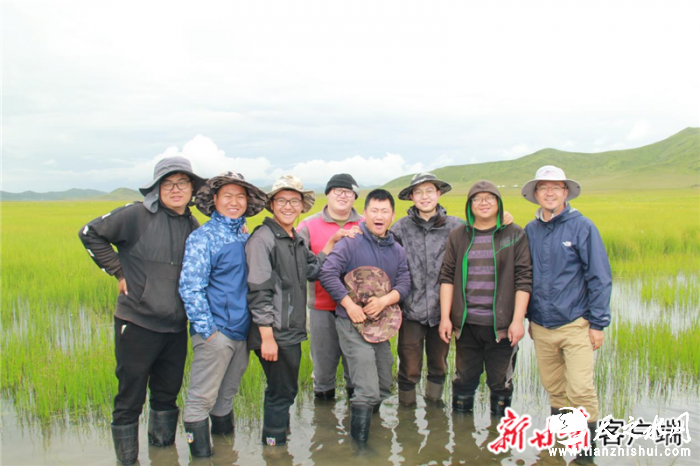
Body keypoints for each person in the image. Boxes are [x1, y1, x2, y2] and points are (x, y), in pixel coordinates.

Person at [78, 157, 205, 465]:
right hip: (137, 323)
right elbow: (89, 232)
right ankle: (127, 461)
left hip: (175, 328)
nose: (175, 189)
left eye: (182, 182)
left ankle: (163, 455)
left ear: (192, 188)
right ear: (156, 188)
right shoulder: (137, 215)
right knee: (130, 397)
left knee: (166, 396)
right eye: (167, 183)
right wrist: (119, 271)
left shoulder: (193, 225)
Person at [245, 175, 357, 447]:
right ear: (272, 204)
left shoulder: (293, 238)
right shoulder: (263, 239)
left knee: (285, 390)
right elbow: (258, 291)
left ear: (301, 206)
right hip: (274, 331)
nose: (288, 206)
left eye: (294, 201)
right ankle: (274, 450)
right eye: (282, 200)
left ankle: (277, 445)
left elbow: (312, 270)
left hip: (290, 329)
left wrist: (331, 243)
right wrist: (267, 337)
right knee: (281, 392)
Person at [521, 166, 611, 465]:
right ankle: (557, 452)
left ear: (566, 192)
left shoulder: (582, 226)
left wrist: (598, 324)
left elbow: (599, 277)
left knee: (581, 390)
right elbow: (525, 277)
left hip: (576, 324)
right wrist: (528, 318)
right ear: (536, 194)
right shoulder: (530, 230)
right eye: (543, 187)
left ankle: (585, 456)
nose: (549, 192)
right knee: (555, 390)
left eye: (556, 187)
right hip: (541, 326)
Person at [178, 172, 267, 457]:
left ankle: (226, 456)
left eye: (240, 196)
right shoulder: (203, 237)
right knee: (201, 399)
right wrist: (209, 332)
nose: (234, 202)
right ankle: (201, 459)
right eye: (227, 196)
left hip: (242, 331)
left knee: (226, 397)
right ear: (214, 200)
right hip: (216, 333)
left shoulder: (246, 236)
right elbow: (191, 287)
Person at [319, 189, 411, 445]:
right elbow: (327, 273)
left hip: (380, 325)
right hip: (351, 323)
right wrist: (349, 305)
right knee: (367, 388)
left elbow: (404, 283)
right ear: (365, 213)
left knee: (383, 383)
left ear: (392, 216)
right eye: (374, 210)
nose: (379, 216)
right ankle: (359, 450)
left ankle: (370, 433)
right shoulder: (350, 242)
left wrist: (384, 301)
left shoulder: (397, 250)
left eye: (385, 211)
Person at [439, 180, 532, 416]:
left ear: (498, 203)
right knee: (463, 382)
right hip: (467, 325)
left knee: (500, 384)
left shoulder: (514, 234)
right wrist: (445, 318)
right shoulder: (458, 235)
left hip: (502, 326)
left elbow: (523, 279)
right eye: (477, 199)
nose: (484, 203)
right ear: (469, 205)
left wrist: (517, 321)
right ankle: (461, 435)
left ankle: (498, 435)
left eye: (490, 198)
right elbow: (447, 276)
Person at [390, 173, 464, 406]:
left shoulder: (457, 226)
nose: (424, 196)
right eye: (419, 192)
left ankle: (434, 408)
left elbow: (484, 235)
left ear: (438, 194)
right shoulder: (400, 228)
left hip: (443, 311)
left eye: (429, 191)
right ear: (411, 197)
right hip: (410, 310)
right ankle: (406, 412)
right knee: (409, 366)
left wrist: (503, 220)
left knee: (439, 363)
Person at [297, 173, 362, 400]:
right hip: (321, 308)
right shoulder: (307, 225)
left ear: (354, 197)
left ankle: (357, 416)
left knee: (357, 371)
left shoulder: (365, 223)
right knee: (323, 371)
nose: (343, 196)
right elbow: (300, 266)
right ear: (328, 194)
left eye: (348, 192)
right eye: (338, 191)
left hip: (358, 310)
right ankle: (324, 417)